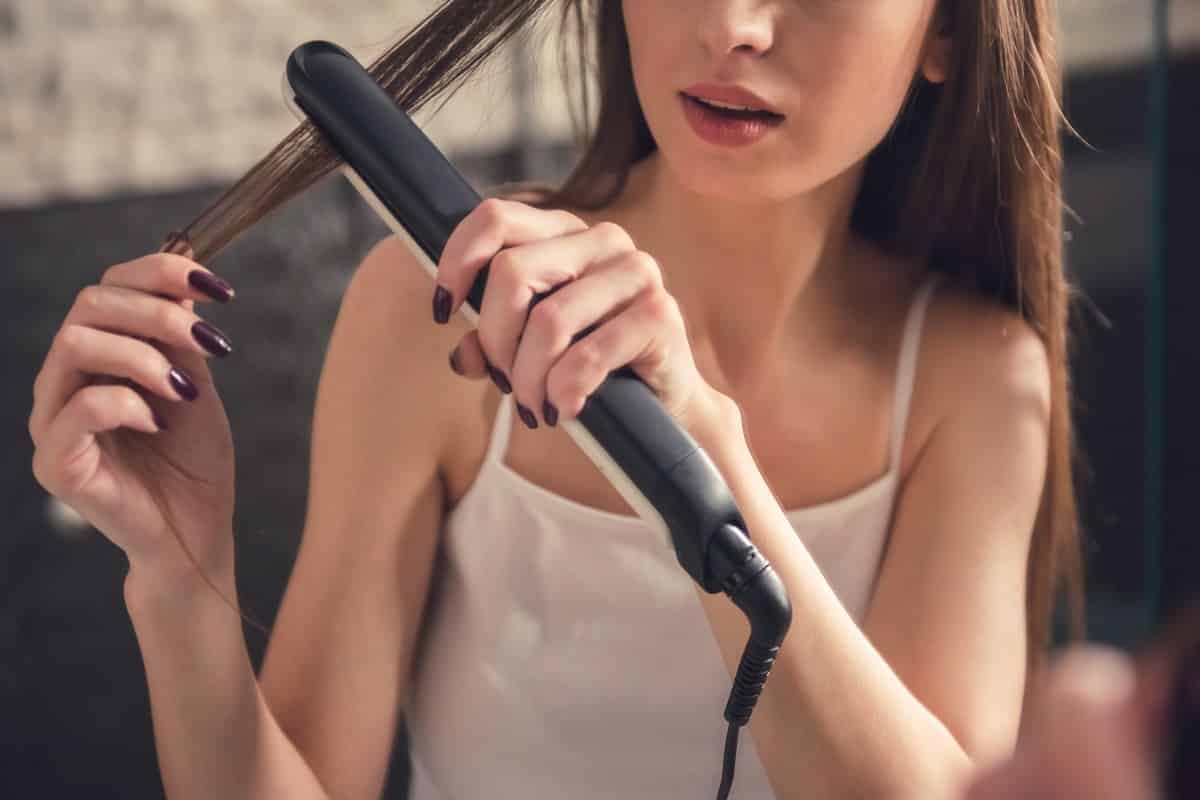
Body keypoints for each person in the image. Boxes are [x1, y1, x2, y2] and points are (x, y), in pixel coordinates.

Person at [28, 1, 1083, 798]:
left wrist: (702, 447)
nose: (730, 25)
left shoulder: (974, 376)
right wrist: (178, 576)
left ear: (951, 30)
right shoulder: (434, 306)